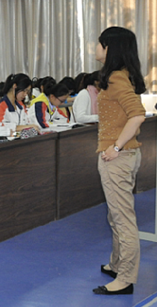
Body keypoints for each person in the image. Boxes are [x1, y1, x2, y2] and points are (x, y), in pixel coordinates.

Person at [92, 27, 147, 295]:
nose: (96, 47)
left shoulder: (116, 78)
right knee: (116, 215)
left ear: (108, 48)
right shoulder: (122, 75)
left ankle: (125, 278)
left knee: (123, 218)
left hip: (118, 158)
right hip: (126, 155)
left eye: (100, 43)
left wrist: (115, 146)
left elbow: (137, 115)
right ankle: (117, 264)